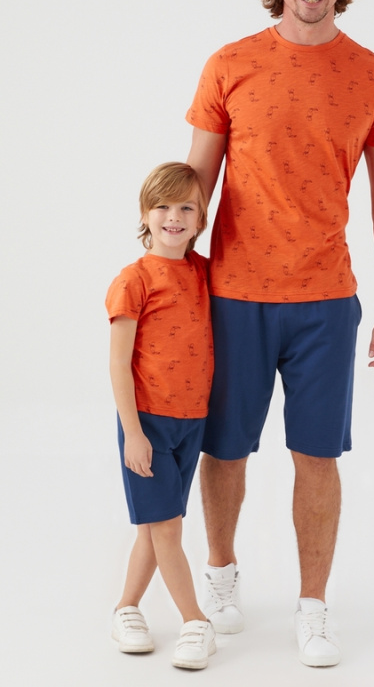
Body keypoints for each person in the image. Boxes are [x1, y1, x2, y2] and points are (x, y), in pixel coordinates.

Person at [186, 0, 374, 667]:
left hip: (324, 301)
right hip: (233, 295)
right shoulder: (230, 64)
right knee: (225, 449)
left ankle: (313, 607)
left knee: (317, 456)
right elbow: (196, 184)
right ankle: (220, 575)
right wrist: (167, 282)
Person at [105, 162, 217, 670]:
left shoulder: (203, 273)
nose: (174, 217)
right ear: (145, 214)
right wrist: (133, 433)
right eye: (163, 206)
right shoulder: (134, 280)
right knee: (167, 527)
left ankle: (126, 608)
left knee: (154, 528)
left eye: (186, 207)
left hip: (192, 421)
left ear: (201, 219)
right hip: (147, 424)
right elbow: (118, 363)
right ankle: (196, 621)